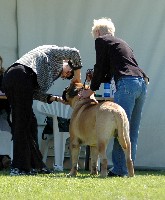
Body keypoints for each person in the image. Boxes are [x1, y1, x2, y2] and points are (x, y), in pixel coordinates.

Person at [80, 18, 149, 177]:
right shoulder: (122, 43)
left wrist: (90, 90)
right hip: (142, 83)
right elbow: (108, 72)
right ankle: (127, 168)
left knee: (120, 128)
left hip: (126, 85)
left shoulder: (101, 41)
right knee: (131, 129)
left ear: (97, 32)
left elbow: (100, 67)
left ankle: (119, 170)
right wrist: (97, 86)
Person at [2, 45, 83, 176]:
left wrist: (56, 99)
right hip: (19, 75)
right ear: (68, 63)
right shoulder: (52, 51)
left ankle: (36, 165)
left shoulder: (52, 74)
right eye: (69, 72)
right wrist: (77, 77)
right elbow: (75, 52)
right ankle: (19, 167)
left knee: (30, 123)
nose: (67, 75)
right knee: (22, 124)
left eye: (68, 76)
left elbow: (34, 93)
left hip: (15, 79)